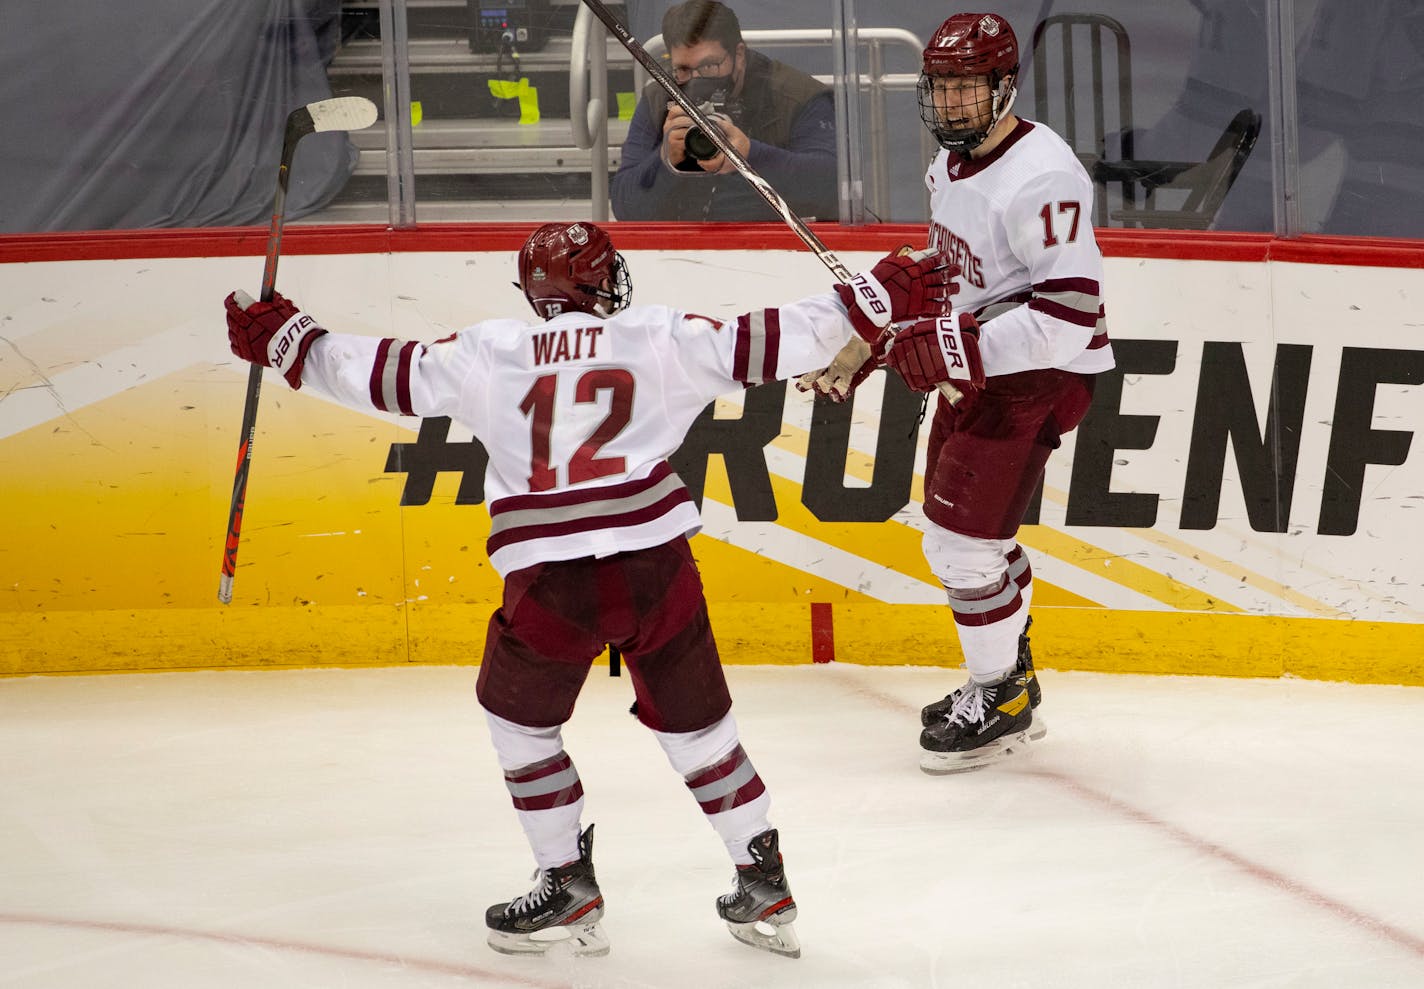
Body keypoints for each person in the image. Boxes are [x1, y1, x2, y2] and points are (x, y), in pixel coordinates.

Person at [222, 223, 954, 957]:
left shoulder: (486, 351)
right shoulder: (656, 336)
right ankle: (760, 872)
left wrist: (289, 340)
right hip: (654, 568)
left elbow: (380, 373)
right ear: (600, 282)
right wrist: (872, 297)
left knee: (518, 723)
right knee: (700, 729)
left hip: (551, 580)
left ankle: (564, 876)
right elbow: (770, 339)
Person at [805, 12, 1115, 775]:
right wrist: (877, 334)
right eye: (941, 86)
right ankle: (1011, 670)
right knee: (971, 540)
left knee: (960, 543)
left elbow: (1071, 315)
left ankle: (998, 691)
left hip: (1038, 376)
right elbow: (958, 278)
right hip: (982, 370)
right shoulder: (950, 166)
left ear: (1005, 86)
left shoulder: (1042, 176)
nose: (951, 104)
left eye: (968, 87)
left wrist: (951, 344)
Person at [610, 0, 837, 222]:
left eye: (709, 66)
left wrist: (750, 156)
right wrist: (664, 159)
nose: (696, 81)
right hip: (683, 243)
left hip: (776, 241)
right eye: (683, 70)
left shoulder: (796, 96)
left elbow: (832, 187)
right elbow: (625, 207)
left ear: (739, 55)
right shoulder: (659, 99)